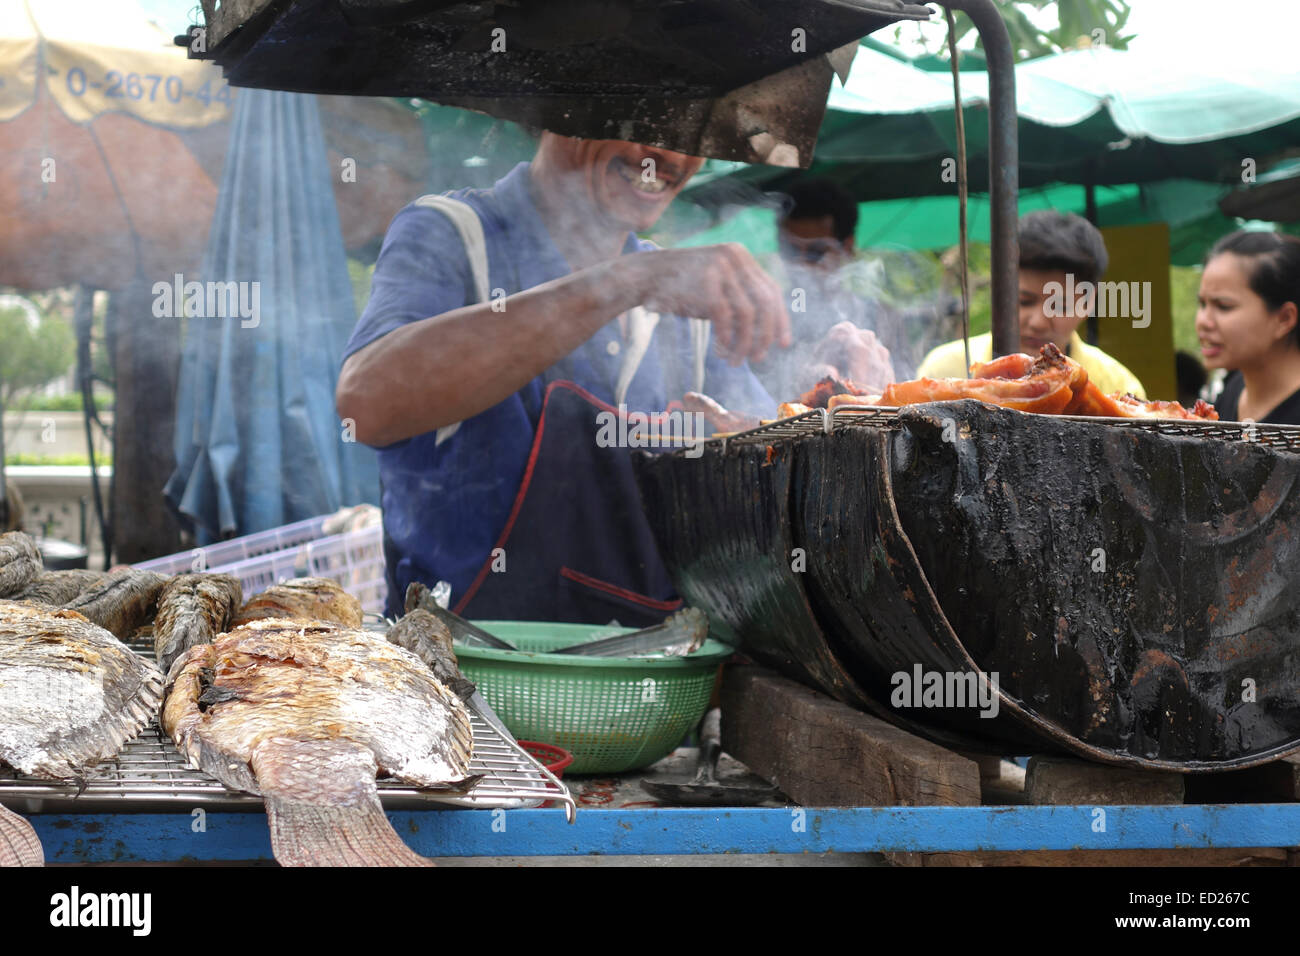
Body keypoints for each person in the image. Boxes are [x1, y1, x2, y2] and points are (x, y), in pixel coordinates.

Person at [336, 135, 890, 624]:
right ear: (562, 103)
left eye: (692, 132)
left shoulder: (689, 304)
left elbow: (762, 480)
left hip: (641, 699)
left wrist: (838, 405)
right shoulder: (457, 235)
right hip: (461, 697)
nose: (668, 156)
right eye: (642, 122)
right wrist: (626, 283)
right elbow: (367, 402)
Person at [916, 211, 1146, 398]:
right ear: (999, 293)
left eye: (1058, 306)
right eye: (1024, 301)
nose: (1037, 322)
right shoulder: (944, 372)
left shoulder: (1118, 388)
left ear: (1087, 303)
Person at [750, 179, 894, 400]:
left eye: (816, 251)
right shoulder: (763, 318)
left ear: (847, 247)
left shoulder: (879, 315)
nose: (801, 265)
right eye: (791, 250)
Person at [1199, 231, 1300, 425]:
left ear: (1284, 318)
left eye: (1223, 306)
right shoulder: (1230, 394)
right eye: (1202, 304)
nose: (1203, 320)